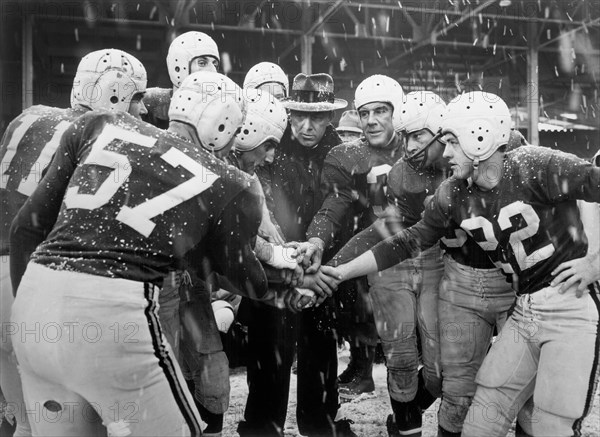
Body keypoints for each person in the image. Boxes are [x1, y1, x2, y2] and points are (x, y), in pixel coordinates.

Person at [316, 91, 600, 437]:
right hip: (523, 307)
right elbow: (404, 240)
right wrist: (339, 271)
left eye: (450, 140)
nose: (445, 151)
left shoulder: (533, 163)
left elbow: (594, 188)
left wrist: (595, 262)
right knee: (480, 412)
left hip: (568, 304)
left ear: (478, 136)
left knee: (551, 419)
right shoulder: (454, 191)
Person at [8, 71, 268, 437]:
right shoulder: (229, 181)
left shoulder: (98, 125)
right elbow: (249, 280)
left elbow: (25, 229)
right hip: (114, 314)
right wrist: (290, 279)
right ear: (222, 122)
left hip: (37, 306)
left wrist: (29, 313)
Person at [0, 48, 147, 437]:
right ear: (113, 92)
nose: (143, 112)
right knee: (74, 426)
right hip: (27, 279)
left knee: (24, 421)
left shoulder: (27, 117)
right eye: (137, 98)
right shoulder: (100, 139)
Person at [238, 73, 356, 437]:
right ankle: (261, 426)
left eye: (316, 118)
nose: (306, 126)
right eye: (298, 116)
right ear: (288, 112)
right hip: (273, 262)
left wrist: (315, 251)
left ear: (330, 117)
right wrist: (286, 258)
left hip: (321, 265)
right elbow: (263, 204)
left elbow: (338, 202)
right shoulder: (271, 141)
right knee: (268, 349)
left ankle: (320, 423)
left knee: (320, 349)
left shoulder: (342, 151)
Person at [143, 31, 220, 129]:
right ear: (179, 66)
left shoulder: (220, 110)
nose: (213, 70)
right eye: (202, 63)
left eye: (215, 64)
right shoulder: (149, 103)